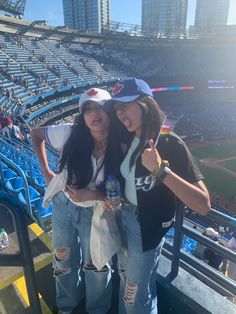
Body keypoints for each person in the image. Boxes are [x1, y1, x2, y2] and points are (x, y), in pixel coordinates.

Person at [104, 78, 211, 314]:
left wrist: (160, 171)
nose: (121, 114)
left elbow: (203, 205)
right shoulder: (127, 138)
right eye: (117, 110)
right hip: (123, 218)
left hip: (147, 230)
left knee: (135, 296)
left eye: (126, 106)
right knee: (125, 283)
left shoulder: (170, 143)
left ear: (144, 104)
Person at [31, 87, 123, 314]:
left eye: (99, 108)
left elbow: (120, 194)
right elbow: (35, 133)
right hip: (63, 205)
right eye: (88, 109)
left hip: (96, 211)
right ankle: (66, 308)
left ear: (110, 112)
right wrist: (46, 171)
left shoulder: (122, 146)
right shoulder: (71, 133)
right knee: (63, 262)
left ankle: (97, 310)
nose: (94, 114)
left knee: (98, 267)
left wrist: (93, 195)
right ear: (82, 115)